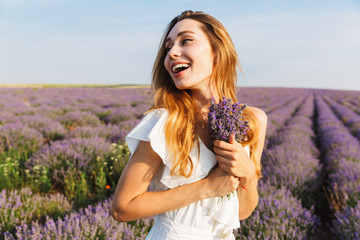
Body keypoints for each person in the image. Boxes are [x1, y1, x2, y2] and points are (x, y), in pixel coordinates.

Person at [111, 10, 267, 240]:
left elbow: (242, 211)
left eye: (186, 41)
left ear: (217, 50)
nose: (172, 52)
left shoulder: (253, 120)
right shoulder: (165, 121)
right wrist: (207, 187)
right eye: (168, 47)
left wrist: (248, 173)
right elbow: (122, 208)